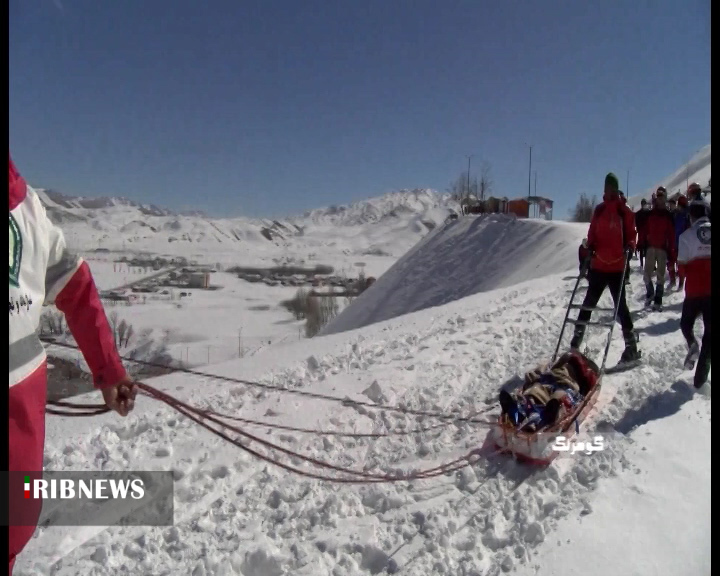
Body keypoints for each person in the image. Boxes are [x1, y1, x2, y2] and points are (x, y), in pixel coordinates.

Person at [9, 154, 138, 573]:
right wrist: (108, 369)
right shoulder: (28, 208)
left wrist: (110, 370)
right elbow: (76, 286)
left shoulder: (28, 208)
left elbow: (74, 284)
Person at [570, 173, 639, 363]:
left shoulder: (624, 211)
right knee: (588, 302)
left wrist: (630, 247)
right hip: (599, 266)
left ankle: (631, 344)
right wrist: (589, 246)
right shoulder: (599, 210)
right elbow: (592, 232)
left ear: (616, 190)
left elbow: (632, 234)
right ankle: (577, 336)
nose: (609, 192)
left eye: (612, 189)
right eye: (607, 188)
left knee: (621, 307)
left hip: (617, 267)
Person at [499, 351, 600, 432]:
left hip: (566, 384)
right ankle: (521, 411)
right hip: (551, 380)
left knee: (558, 398)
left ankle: (545, 415)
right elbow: (544, 369)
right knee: (535, 392)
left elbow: (589, 388)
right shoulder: (565, 361)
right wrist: (537, 376)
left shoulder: (586, 372)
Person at [677, 199, 711, 391]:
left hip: (694, 290)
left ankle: (691, 343)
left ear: (692, 216)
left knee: (686, 324)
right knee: (710, 335)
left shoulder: (686, 235)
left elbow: (681, 265)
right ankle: (700, 380)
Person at [641, 186, 676, 309]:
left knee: (660, 276)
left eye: (662, 196)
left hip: (662, 248)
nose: (660, 198)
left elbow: (671, 235)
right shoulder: (651, 213)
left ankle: (658, 300)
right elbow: (645, 230)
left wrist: (672, 252)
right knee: (646, 275)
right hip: (651, 247)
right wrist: (642, 242)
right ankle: (650, 293)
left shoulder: (668, 215)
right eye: (658, 196)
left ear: (665, 198)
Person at [669, 195, 691, 290]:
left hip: (681, 242)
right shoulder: (677, 214)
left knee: (679, 264)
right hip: (676, 242)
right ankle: (674, 280)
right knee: (672, 263)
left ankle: (680, 283)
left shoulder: (686, 215)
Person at [634, 198, 650, 268]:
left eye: (644, 203)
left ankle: (646, 264)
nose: (644, 205)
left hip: (647, 234)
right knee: (641, 249)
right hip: (641, 233)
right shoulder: (638, 214)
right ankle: (641, 264)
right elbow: (636, 223)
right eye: (643, 203)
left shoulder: (649, 213)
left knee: (647, 249)